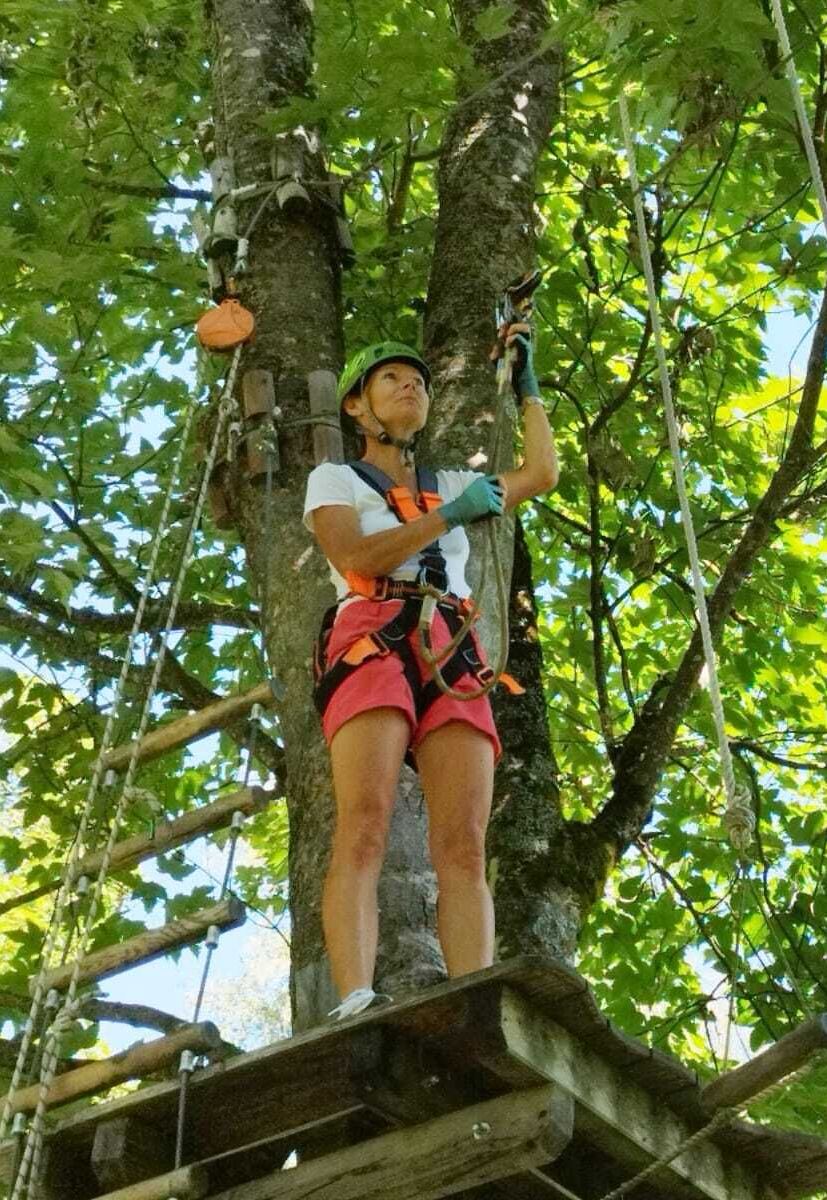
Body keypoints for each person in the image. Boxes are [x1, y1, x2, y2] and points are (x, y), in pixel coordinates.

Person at [303, 326, 559, 1015]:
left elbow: (540, 474)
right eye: (391, 379)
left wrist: (527, 388)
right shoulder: (335, 479)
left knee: (465, 842)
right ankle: (355, 995)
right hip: (374, 631)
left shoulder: (450, 483)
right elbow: (356, 558)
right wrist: (448, 517)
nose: (409, 385)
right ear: (357, 406)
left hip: (450, 642)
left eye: (417, 380)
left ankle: (475, 1001)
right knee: (365, 820)